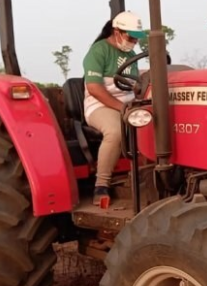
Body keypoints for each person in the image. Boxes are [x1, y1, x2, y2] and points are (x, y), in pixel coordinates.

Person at [82, 11, 146, 204]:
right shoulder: (98, 51)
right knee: (116, 131)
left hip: (128, 103)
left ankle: (148, 179)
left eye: (137, 38)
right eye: (131, 36)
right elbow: (94, 88)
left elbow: (133, 85)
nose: (134, 41)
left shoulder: (131, 53)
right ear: (117, 31)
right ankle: (101, 185)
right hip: (100, 105)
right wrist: (122, 107)